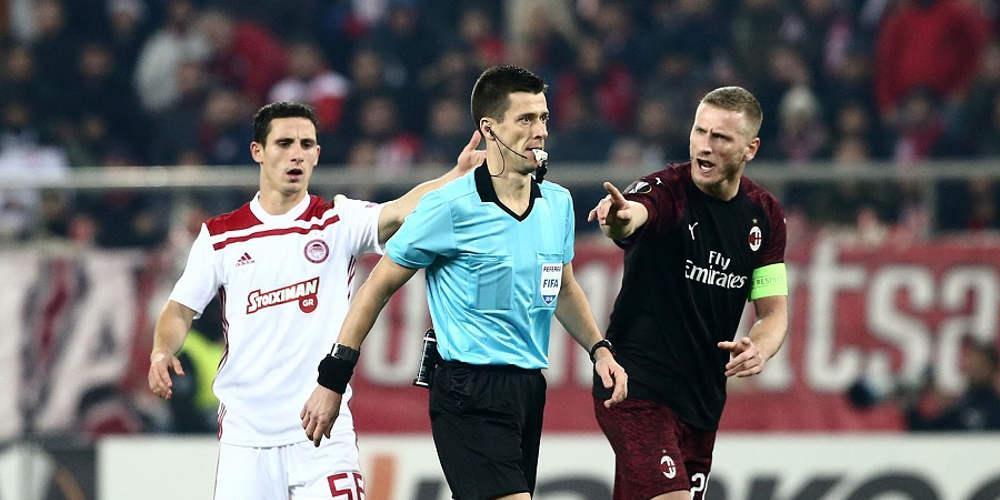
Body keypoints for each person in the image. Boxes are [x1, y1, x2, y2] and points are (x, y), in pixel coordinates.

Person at [299, 65, 628, 500]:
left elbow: (563, 286)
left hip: (529, 386)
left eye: (544, 118)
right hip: (466, 390)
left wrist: (599, 349)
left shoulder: (558, 203)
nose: (540, 131)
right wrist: (333, 378)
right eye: (526, 119)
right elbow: (376, 287)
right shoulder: (450, 207)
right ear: (490, 129)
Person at [146, 101, 484, 499]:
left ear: (317, 154)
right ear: (257, 151)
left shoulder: (337, 221)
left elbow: (397, 212)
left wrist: (455, 177)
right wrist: (161, 350)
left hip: (321, 432)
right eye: (284, 143)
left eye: (306, 144)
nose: (296, 154)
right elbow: (180, 308)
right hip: (246, 441)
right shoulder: (221, 236)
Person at [588, 86, 789, 500]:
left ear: (750, 149)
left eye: (721, 137)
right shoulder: (667, 191)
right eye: (700, 131)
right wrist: (619, 218)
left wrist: (761, 347)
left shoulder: (764, 214)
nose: (705, 146)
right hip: (634, 388)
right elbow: (634, 215)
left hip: (701, 402)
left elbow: (773, 312)